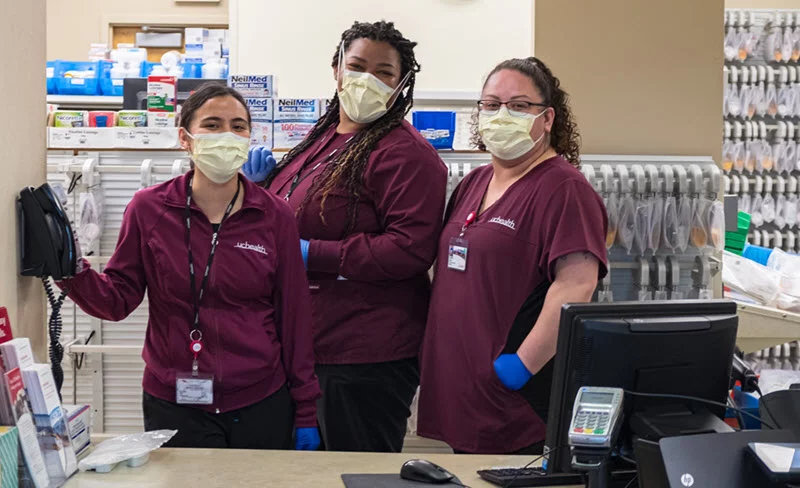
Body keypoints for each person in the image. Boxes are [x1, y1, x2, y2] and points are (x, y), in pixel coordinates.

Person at [60, 83, 321, 450]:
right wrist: (68, 266)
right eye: (212, 125)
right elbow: (116, 300)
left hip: (260, 399)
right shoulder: (149, 209)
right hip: (174, 403)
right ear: (185, 138)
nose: (226, 136)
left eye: (238, 126)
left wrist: (306, 409)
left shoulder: (273, 214)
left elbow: (294, 317)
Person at [243, 21, 447, 453]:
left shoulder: (407, 155)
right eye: (356, 66)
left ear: (401, 84)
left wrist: (310, 254)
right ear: (336, 68)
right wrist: (258, 193)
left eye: (384, 72)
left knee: (356, 473)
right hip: (307, 345)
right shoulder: (323, 139)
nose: (366, 80)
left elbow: (409, 249)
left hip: (362, 356)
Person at [417, 57, 608, 454]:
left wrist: (521, 366)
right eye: (491, 104)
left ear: (548, 118)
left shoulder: (563, 189)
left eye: (520, 106)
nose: (502, 115)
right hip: (464, 391)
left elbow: (577, 282)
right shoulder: (475, 181)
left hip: (514, 400)